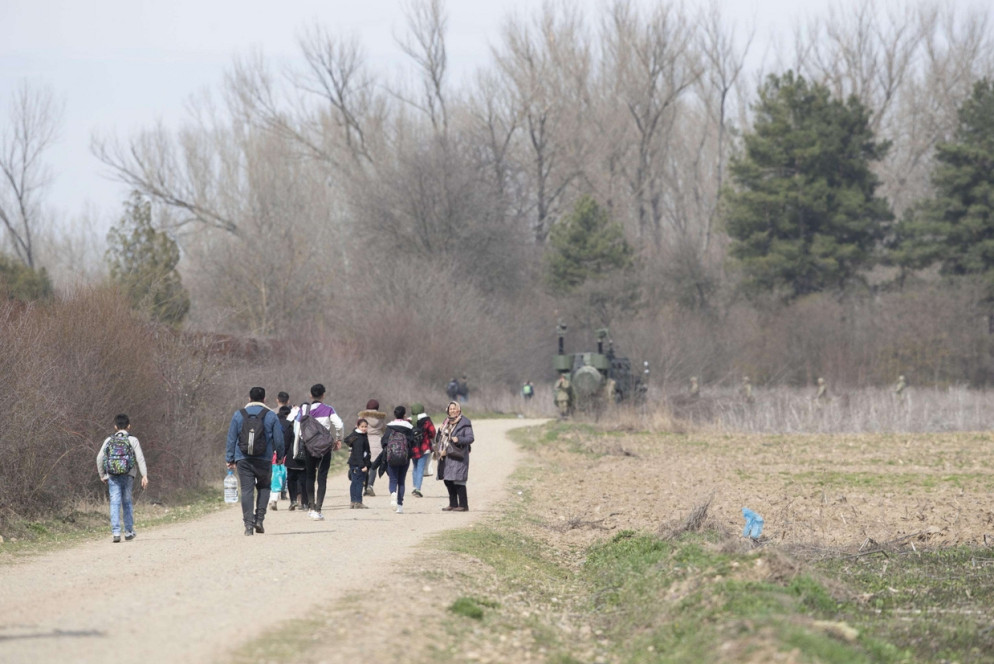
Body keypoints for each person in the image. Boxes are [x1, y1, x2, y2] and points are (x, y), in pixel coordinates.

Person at [225, 386, 285, 536]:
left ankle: (248, 526)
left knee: (247, 490)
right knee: (264, 488)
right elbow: (279, 439)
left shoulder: (238, 415)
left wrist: (230, 458)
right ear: (264, 399)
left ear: (249, 399)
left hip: (243, 459)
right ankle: (259, 520)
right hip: (264, 459)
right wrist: (279, 457)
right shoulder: (271, 415)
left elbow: (231, 438)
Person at [96, 413, 149, 543]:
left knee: (114, 503)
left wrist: (102, 475)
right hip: (128, 474)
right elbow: (140, 458)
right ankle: (129, 531)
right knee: (127, 502)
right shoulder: (133, 440)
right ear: (129, 426)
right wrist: (144, 475)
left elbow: (99, 458)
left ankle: (116, 533)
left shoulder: (109, 440)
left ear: (115, 427)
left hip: (112, 475)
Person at [294, 383, 344, 521]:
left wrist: (299, 443)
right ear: (323, 395)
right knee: (322, 478)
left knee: (310, 476)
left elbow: (297, 427)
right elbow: (339, 425)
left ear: (310, 395)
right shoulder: (328, 409)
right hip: (324, 448)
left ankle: (310, 507)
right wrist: (339, 438)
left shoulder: (304, 409)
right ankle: (318, 509)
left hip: (308, 446)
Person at [435, 401, 474, 512]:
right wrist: (439, 430)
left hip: (458, 455)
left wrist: (459, 439)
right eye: (450, 408)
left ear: (459, 410)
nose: (452, 410)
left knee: (458, 480)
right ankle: (452, 504)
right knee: (448, 480)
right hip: (446, 454)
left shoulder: (465, 422)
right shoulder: (446, 422)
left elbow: (471, 438)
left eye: (454, 408)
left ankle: (463, 505)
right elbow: (439, 438)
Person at [382, 405, 417, 514]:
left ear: (395, 414)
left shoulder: (390, 426)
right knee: (401, 481)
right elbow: (413, 442)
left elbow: (384, 441)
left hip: (392, 457)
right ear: (404, 414)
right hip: (404, 458)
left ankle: (393, 492)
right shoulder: (409, 427)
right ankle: (400, 505)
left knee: (393, 479)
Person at [359, 398, 386, 497]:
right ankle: (370, 485)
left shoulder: (362, 417)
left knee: (365, 465)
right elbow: (384, 430)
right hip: (377, 443)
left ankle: (364, 483)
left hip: (364, 442)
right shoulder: (381, 418)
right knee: (374, 466)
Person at [409, 403, 436, 498]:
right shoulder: (427, 420)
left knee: (415, 467)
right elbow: (433, 433)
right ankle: (418, 489)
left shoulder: (409, 421)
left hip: (413, 448)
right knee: (420, 467)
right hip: (424, 447)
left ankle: (414, 487)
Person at [343, 418, 371, 509]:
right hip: (358, 463)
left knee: (354, 482)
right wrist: (362, 465)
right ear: (358, 426)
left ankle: (353, 502)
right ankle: (358, 502)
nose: (364, 428)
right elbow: (359, 453)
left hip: (354, 463)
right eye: (362, 426)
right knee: (358, 482)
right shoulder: (358, 437)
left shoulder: (359, 435)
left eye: (366, 427)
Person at [275, 392, 291, 500]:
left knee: (275, 469)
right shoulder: (291, 412)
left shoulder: (271, 412)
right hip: (287, 445)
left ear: (277, 400)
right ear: (288, 401)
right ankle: (284, 491)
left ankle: (275, 490)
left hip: (274, 446)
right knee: (286, 469)